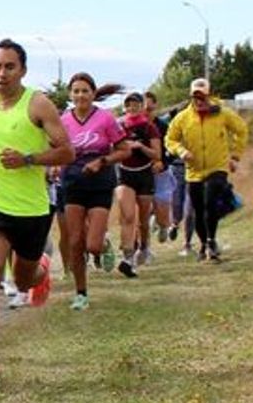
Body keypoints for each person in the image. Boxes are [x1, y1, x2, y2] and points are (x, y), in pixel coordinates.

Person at [0, 40, 73, 381]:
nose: (2, 73)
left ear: (22, 70)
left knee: (24, 279)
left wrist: (28, 159)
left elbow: (67, 152)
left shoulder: (38, 104)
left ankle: (41, 270)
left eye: (9, 67)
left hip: (31, 208)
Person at [59, 73, 129, 307]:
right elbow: (56, 149)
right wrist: (54, 166)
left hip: (100, 183)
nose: (80, 95)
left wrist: (102, 161)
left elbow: (124, 150)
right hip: (72, 183)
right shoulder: (63, 120)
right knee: (75, 242)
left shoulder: (106, 118)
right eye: (76, 91)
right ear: (70, 95)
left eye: (85, 91)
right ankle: (81, 294)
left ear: (93, 93)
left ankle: (103, 245)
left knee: (92, 246)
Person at [164, 78, 249, 262]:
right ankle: (204, 244)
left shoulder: (222, 113)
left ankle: (211, 241)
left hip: (217, 166)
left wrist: (235, 156)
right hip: (193, 171)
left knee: (210, 201)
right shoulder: (183, 118)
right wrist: (181, 151)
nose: (199, 100)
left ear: (209, 95)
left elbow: (241, 130)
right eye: (196, 97)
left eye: (202, 96)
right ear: (191, 97)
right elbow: (170, 139)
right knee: (198, 209)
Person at [116, 92, 162, 276]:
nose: (132, 108)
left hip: (144, 175)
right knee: (128, 216)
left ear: (142, 107)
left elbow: (157, 155)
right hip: (124, 174)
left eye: (135, 104)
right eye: (128, 105)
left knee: (143, 220)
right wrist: (123, 147)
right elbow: (112, 149)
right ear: (124, 107)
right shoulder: (119, 126)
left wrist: (141, 146)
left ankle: (144, 247)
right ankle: (127, 258)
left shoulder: (149, 127)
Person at [144, 92, 176, 247]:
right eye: (143, 109)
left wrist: (163, 162)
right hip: (141, 175)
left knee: (163, 217)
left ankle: (162, 224)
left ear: (155, 106)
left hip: (161, 174)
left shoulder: (163, 127)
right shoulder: (133, 127)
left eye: (149, 109)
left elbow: (172, 150)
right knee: (139, 212)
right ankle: (143, 247)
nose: (146, 113)